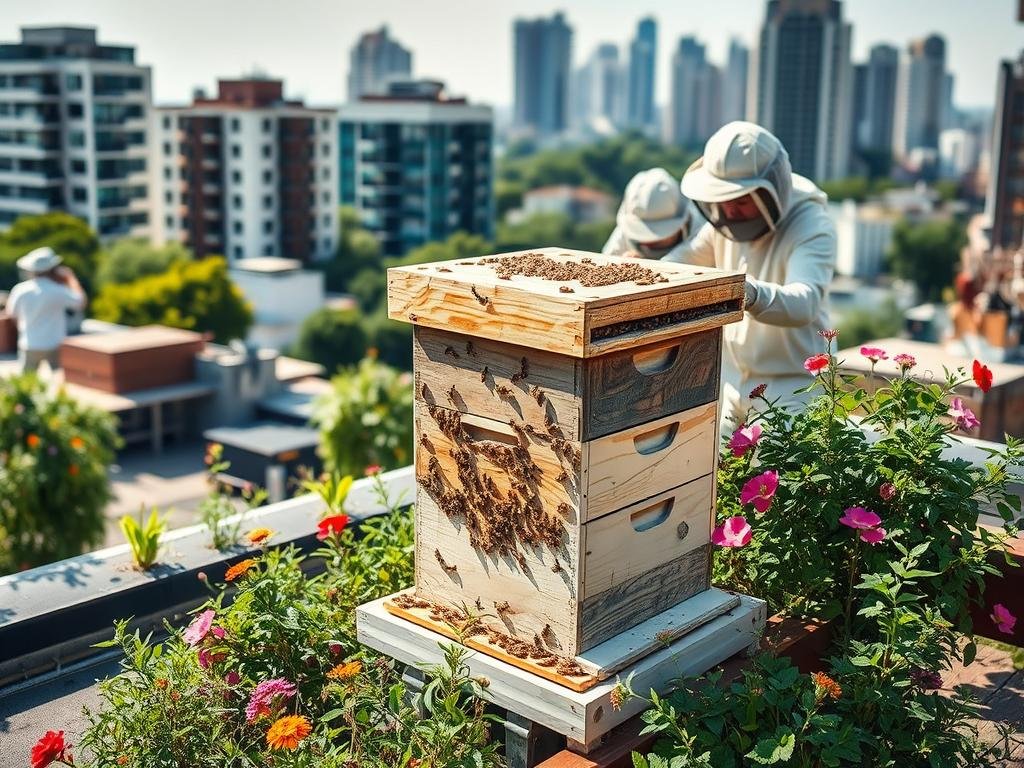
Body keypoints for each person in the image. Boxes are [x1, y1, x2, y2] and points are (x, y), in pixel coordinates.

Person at [663, 121, 835, 427]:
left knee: (783, 474)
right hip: (729, 383)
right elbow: (681, 261)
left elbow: (804, 302)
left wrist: (750, 293)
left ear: (771, 191)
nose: (729, 213)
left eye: (740, 201)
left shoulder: (812, 224)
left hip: (793, 390)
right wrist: (636, 272)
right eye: (722, 201)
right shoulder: (723, 224)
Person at [7, 246, 86, 374]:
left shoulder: (20, 290)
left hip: (29, 342)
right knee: (60, 383)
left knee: (26, 383)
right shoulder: (58, 290)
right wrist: (71, 278)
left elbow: (12, 314)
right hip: (55, 343)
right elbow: (80, 302)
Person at [602, 168, 695, 261]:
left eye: (658, 238)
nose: (648, 243)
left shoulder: (700, 232)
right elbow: (606, 261)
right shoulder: (623, 234)